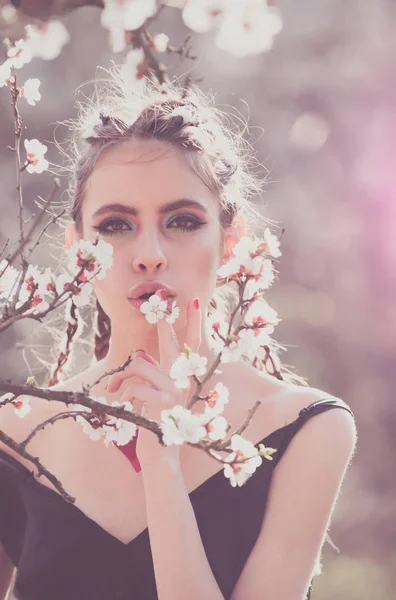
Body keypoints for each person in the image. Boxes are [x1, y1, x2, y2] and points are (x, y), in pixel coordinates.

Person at [0, 68, 357, 600]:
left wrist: (161, 467)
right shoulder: (16, 431)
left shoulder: (305, 429)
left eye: (183, 222)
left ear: (231, 242)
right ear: (79, 250)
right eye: (116, 225)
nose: (150, 255)